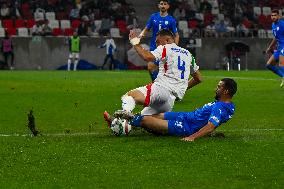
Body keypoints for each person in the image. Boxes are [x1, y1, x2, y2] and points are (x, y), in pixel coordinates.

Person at [104, 29, 201, 126]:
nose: (157, 45)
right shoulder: (188, 54)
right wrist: (182, 89)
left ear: (167, 40)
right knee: (141, 119)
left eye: (158, 41)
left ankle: (125, 111)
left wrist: (135, 43)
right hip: (170, 101)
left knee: (130, 96)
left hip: (161, 89)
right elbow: (198, 78)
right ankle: (117, 123)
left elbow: (147, 57)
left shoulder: (166, 48)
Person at [129, 78, 237, 142]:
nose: (215, 89)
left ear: (226, 91)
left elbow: (211, 125)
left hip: (186, 127)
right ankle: (130, 122)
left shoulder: (220, 107)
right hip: (185, 116)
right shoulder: (227, 105)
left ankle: (123, 122)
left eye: (219, 87)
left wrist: (192, 137)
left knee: (146, 120)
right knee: (153, 115)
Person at [138, 0, 179, 82]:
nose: (163, 5)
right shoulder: (153, 17)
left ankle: (160, 84)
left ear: (168, 6)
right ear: (158, 6)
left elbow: (176, 35)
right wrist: (140, 35)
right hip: (154, 46)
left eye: (165, 4)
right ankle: (157, 83)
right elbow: (146, 29)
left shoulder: (171, 20)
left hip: (166, 47)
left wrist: (175, 47)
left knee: (163, 69)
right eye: (161, 4)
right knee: (150, 67)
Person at [265, 9, 284, 87]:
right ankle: (283, 76)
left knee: (281, 64)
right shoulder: (273, 25)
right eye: (272, 15)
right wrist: (270, 47)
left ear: (278, 16)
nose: (273, 17)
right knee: (269, 65)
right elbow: (276, 38)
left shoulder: (282, 24)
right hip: (279, 47)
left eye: (275, 15)